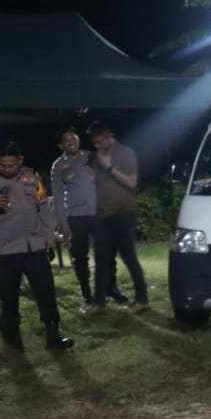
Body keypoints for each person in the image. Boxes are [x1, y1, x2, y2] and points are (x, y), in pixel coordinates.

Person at [0, 142, 74, 350]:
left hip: (35, 246)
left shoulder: (32, 178)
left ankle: (53, 334)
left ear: (20, 161)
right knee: (9, 295)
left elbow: (43, 206)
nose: (7, 169)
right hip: (6, 249)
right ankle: (13, 337)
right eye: (2, 165)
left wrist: (48, 235)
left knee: (45, 290)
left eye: (12, 165)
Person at [50, 127, 127, 305]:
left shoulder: (92, 157)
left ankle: (111, 288)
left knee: (108, 252)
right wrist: (62, 223)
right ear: (61, 145)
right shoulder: (58, 166)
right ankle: (87, 293)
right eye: (66, 140)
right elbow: (58, 196)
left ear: (78, 139)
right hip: (76, 217)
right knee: (79, 256)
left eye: (74, 138)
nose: (71, 142)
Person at [86, 122, 149, 312]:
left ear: (108, 135)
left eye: (99, 142)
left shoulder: (126, 153)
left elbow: (131, 182)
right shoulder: (96, 156)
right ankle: (99, 303)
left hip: (122, 214)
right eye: (94, 143)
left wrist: (109, 167)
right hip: (101, 216)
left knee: (129, 257)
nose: (97, 146)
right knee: (101, 260)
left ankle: (142, 299)